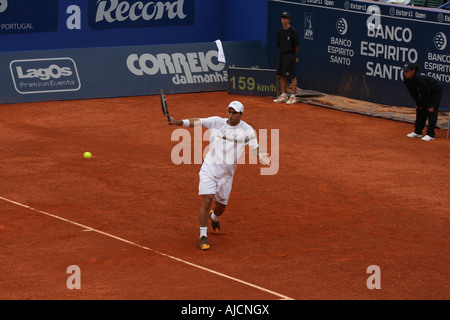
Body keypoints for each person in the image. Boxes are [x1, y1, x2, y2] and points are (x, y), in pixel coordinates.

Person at [168, 101, 271, 250]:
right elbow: (198, 121)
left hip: (227, 176)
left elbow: (256, 147)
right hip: (209, 168)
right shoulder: (217, 122)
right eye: (229, 112)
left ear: (241, 114)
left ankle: (214, 217)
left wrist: (262, 156)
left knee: (220, 207)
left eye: (234, 113)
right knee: (207, 198)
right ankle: (203, 235)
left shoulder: (247, 130)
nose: (231, 115)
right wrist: (178, 122)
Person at [403, 62, 443, 141]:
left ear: (413, 71)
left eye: (407, 71)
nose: (405, 73)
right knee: (420, 108)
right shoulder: (406, 79)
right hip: (426, 92)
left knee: (431, 110)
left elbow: (426, 91)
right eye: (404, 71)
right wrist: (418, 103)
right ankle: (418, 132)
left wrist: (429, 105)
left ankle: (431, 134)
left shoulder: (418, 78)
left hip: (435, 91)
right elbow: (412, 92)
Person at [273, 11, 300, 105]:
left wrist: (293, 56)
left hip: (290, 55)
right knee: (281, 75)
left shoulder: (293, 32)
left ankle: (293, 96)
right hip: (281, 54)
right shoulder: (279, 32)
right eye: (282, 18)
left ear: (289, 20)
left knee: (292, 76)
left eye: (286, 18)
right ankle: (284, 95)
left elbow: (297, 46)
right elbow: (278, 44)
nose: (283, 20)